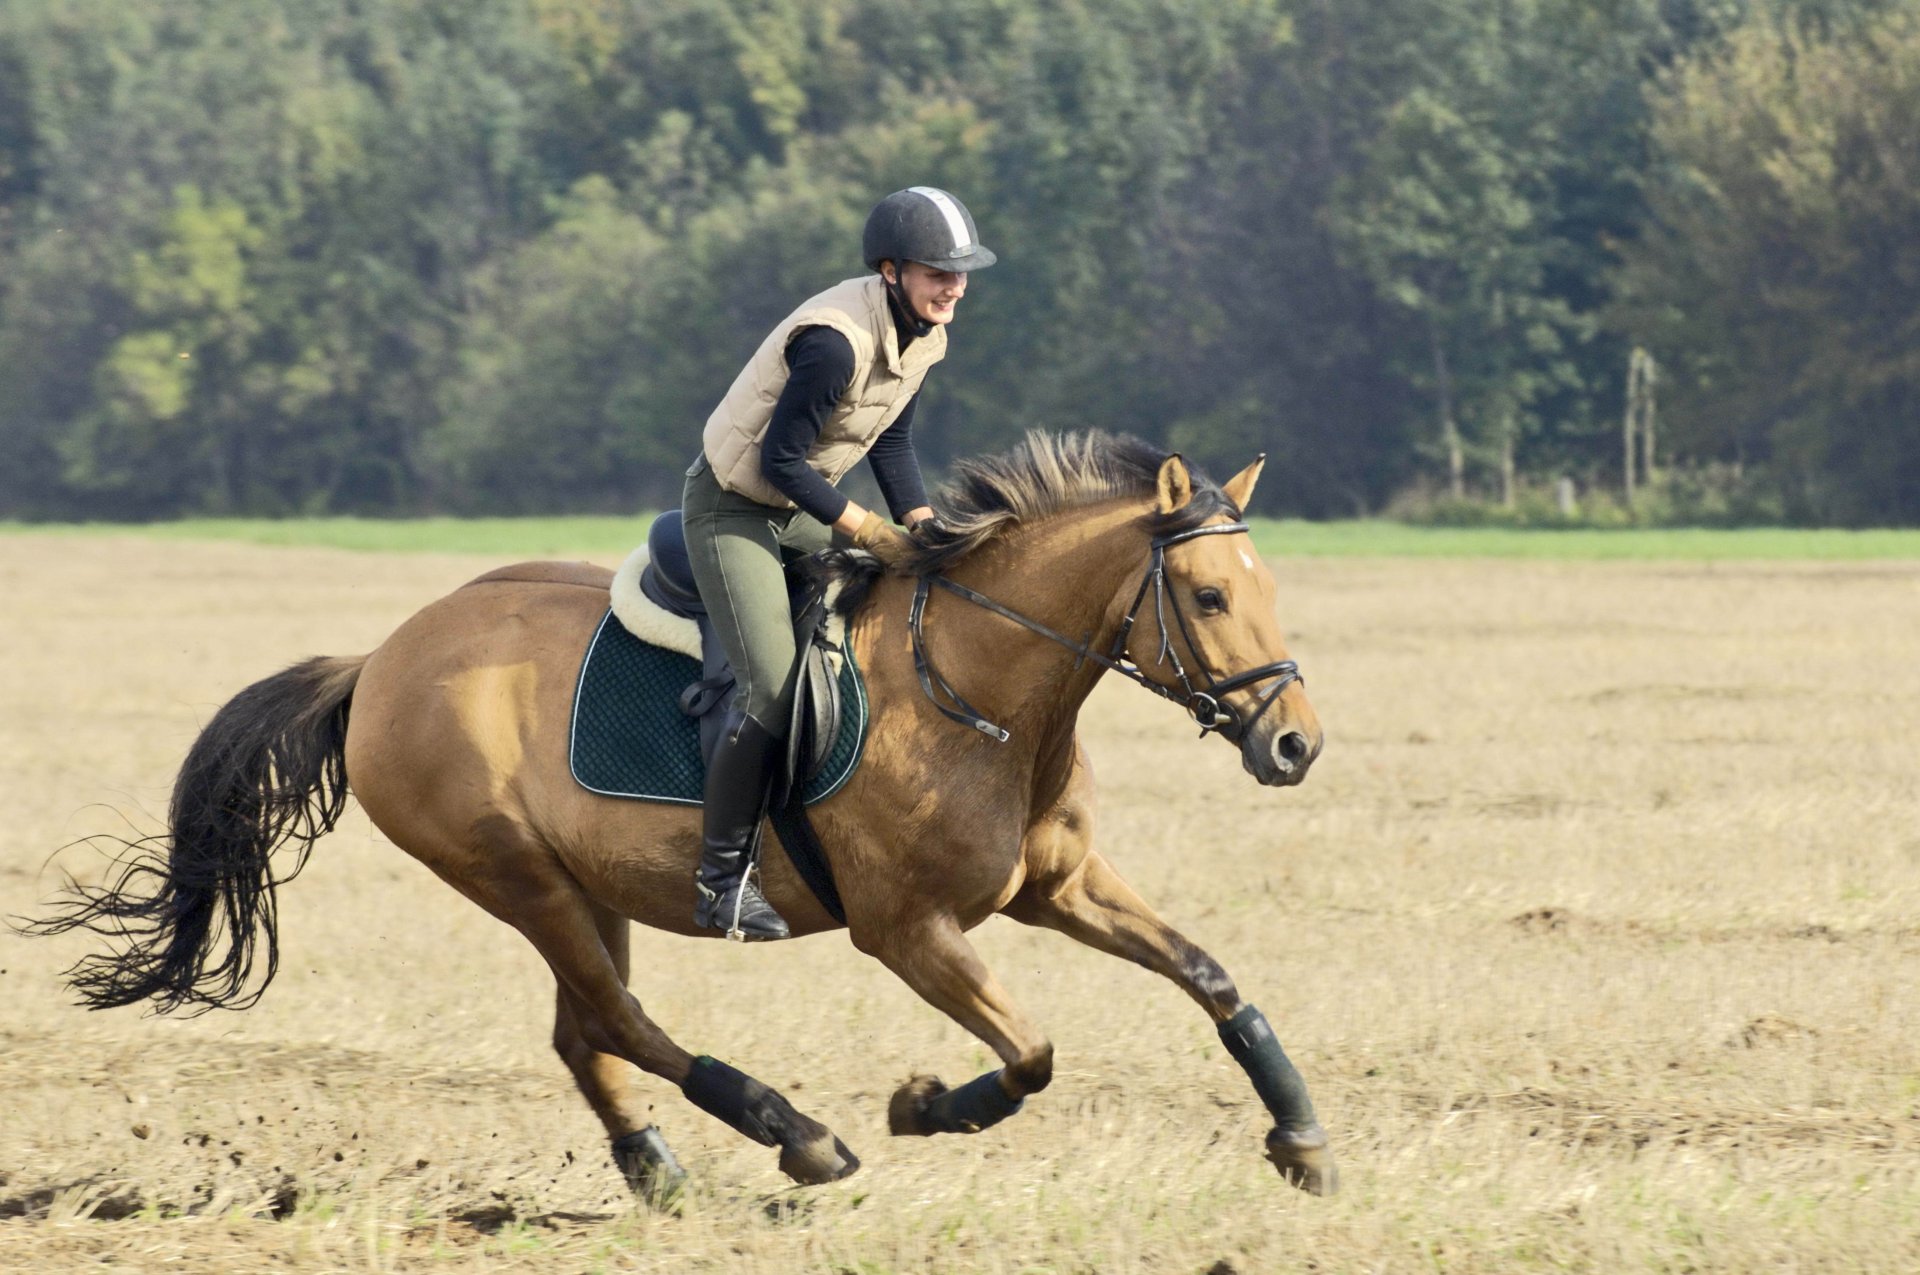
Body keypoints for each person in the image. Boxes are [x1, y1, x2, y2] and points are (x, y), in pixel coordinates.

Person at [682, 186, 997, 940]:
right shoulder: (834, 343)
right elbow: (780, 461)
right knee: (774, 687)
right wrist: (870, 530)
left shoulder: (925, 332)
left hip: (795, 511)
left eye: (960, 272)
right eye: (936, 272)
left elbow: (889, 438)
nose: (953, 286)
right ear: (890, 271)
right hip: (734, 511)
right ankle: (720, 879)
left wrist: (921, 528)